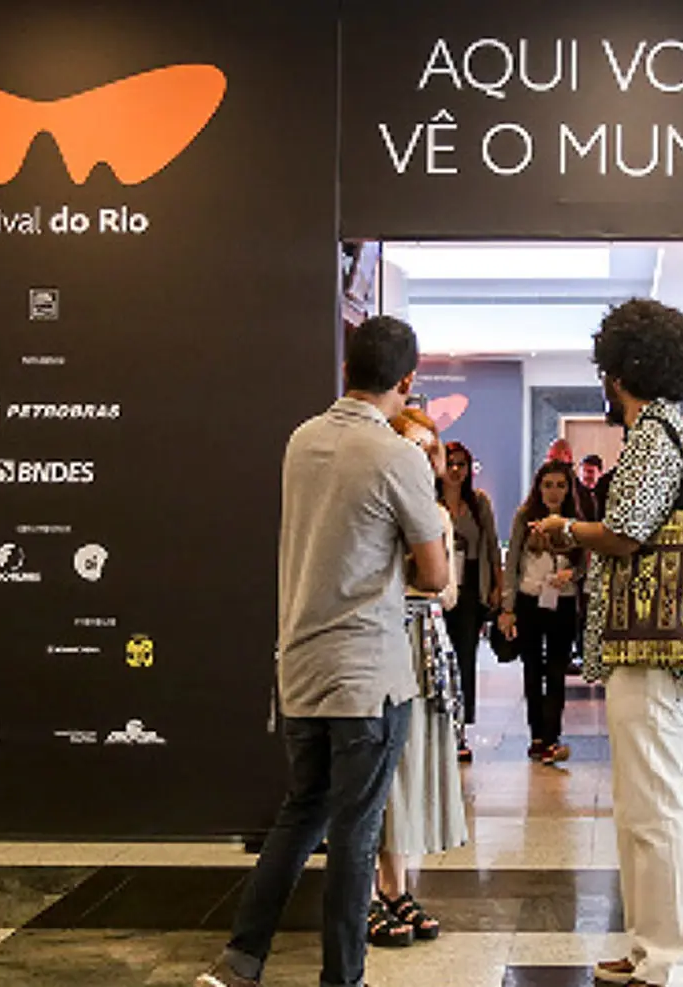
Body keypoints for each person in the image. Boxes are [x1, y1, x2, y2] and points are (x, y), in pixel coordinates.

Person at [199, 315, 448, 987]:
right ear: (407, 380)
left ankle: (240, 960)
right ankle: (343, 978)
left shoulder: (301, 440)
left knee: (300, 814)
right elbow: (434, 575)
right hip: (367, 673)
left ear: (345, 370)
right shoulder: (397, 456)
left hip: (301, 666)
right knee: (357, 836)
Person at [530, 298, 683, 987]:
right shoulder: (673, 432)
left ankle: (667, 954)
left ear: (618, 371)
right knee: (643, 798)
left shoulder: (651, 436)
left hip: (650, 647)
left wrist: (564, 528)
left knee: (654, 799)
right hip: (654, 645)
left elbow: (625, 532)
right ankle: (647, 944)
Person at [365, 407, 469, 949]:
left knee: (412, 765)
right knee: (381, 766)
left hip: (426, 644)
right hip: (384, 640)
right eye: (413, 446)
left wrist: (427, 576)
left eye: (431, 449)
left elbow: (446, 593)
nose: (424, 458)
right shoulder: (379, 509)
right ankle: (370, 891)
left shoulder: (438, 515)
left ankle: (396, 886)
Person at [499, 460, 585, 765]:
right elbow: (512, 563)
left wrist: (572, 574)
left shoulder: (576, 521)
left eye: (560, 485)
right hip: (530, 599)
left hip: (563, 600)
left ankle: (552, 737)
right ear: (538, 488)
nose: (554, 492)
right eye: (548, 485)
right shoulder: (525, 517)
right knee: (533, 669)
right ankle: (537, 736)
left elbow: (586, 561)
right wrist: (507, 607)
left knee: (557, 671)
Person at [439, 441, 502, 762]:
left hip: (470, 590)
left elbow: (492, 545)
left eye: (461, 464)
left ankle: (460, 729)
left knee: (464, 659)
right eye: (450, 463)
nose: (455, 470)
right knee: (437, 659)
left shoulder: (478, 503)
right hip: (438, 588)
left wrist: (498, 587)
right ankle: (437, 730)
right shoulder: (429, 502)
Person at [575, 453, 606, 523]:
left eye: (590, 472)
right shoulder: (573, 493)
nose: (585, 475)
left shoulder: (605, 492)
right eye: (583, 471)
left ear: (600, 473)